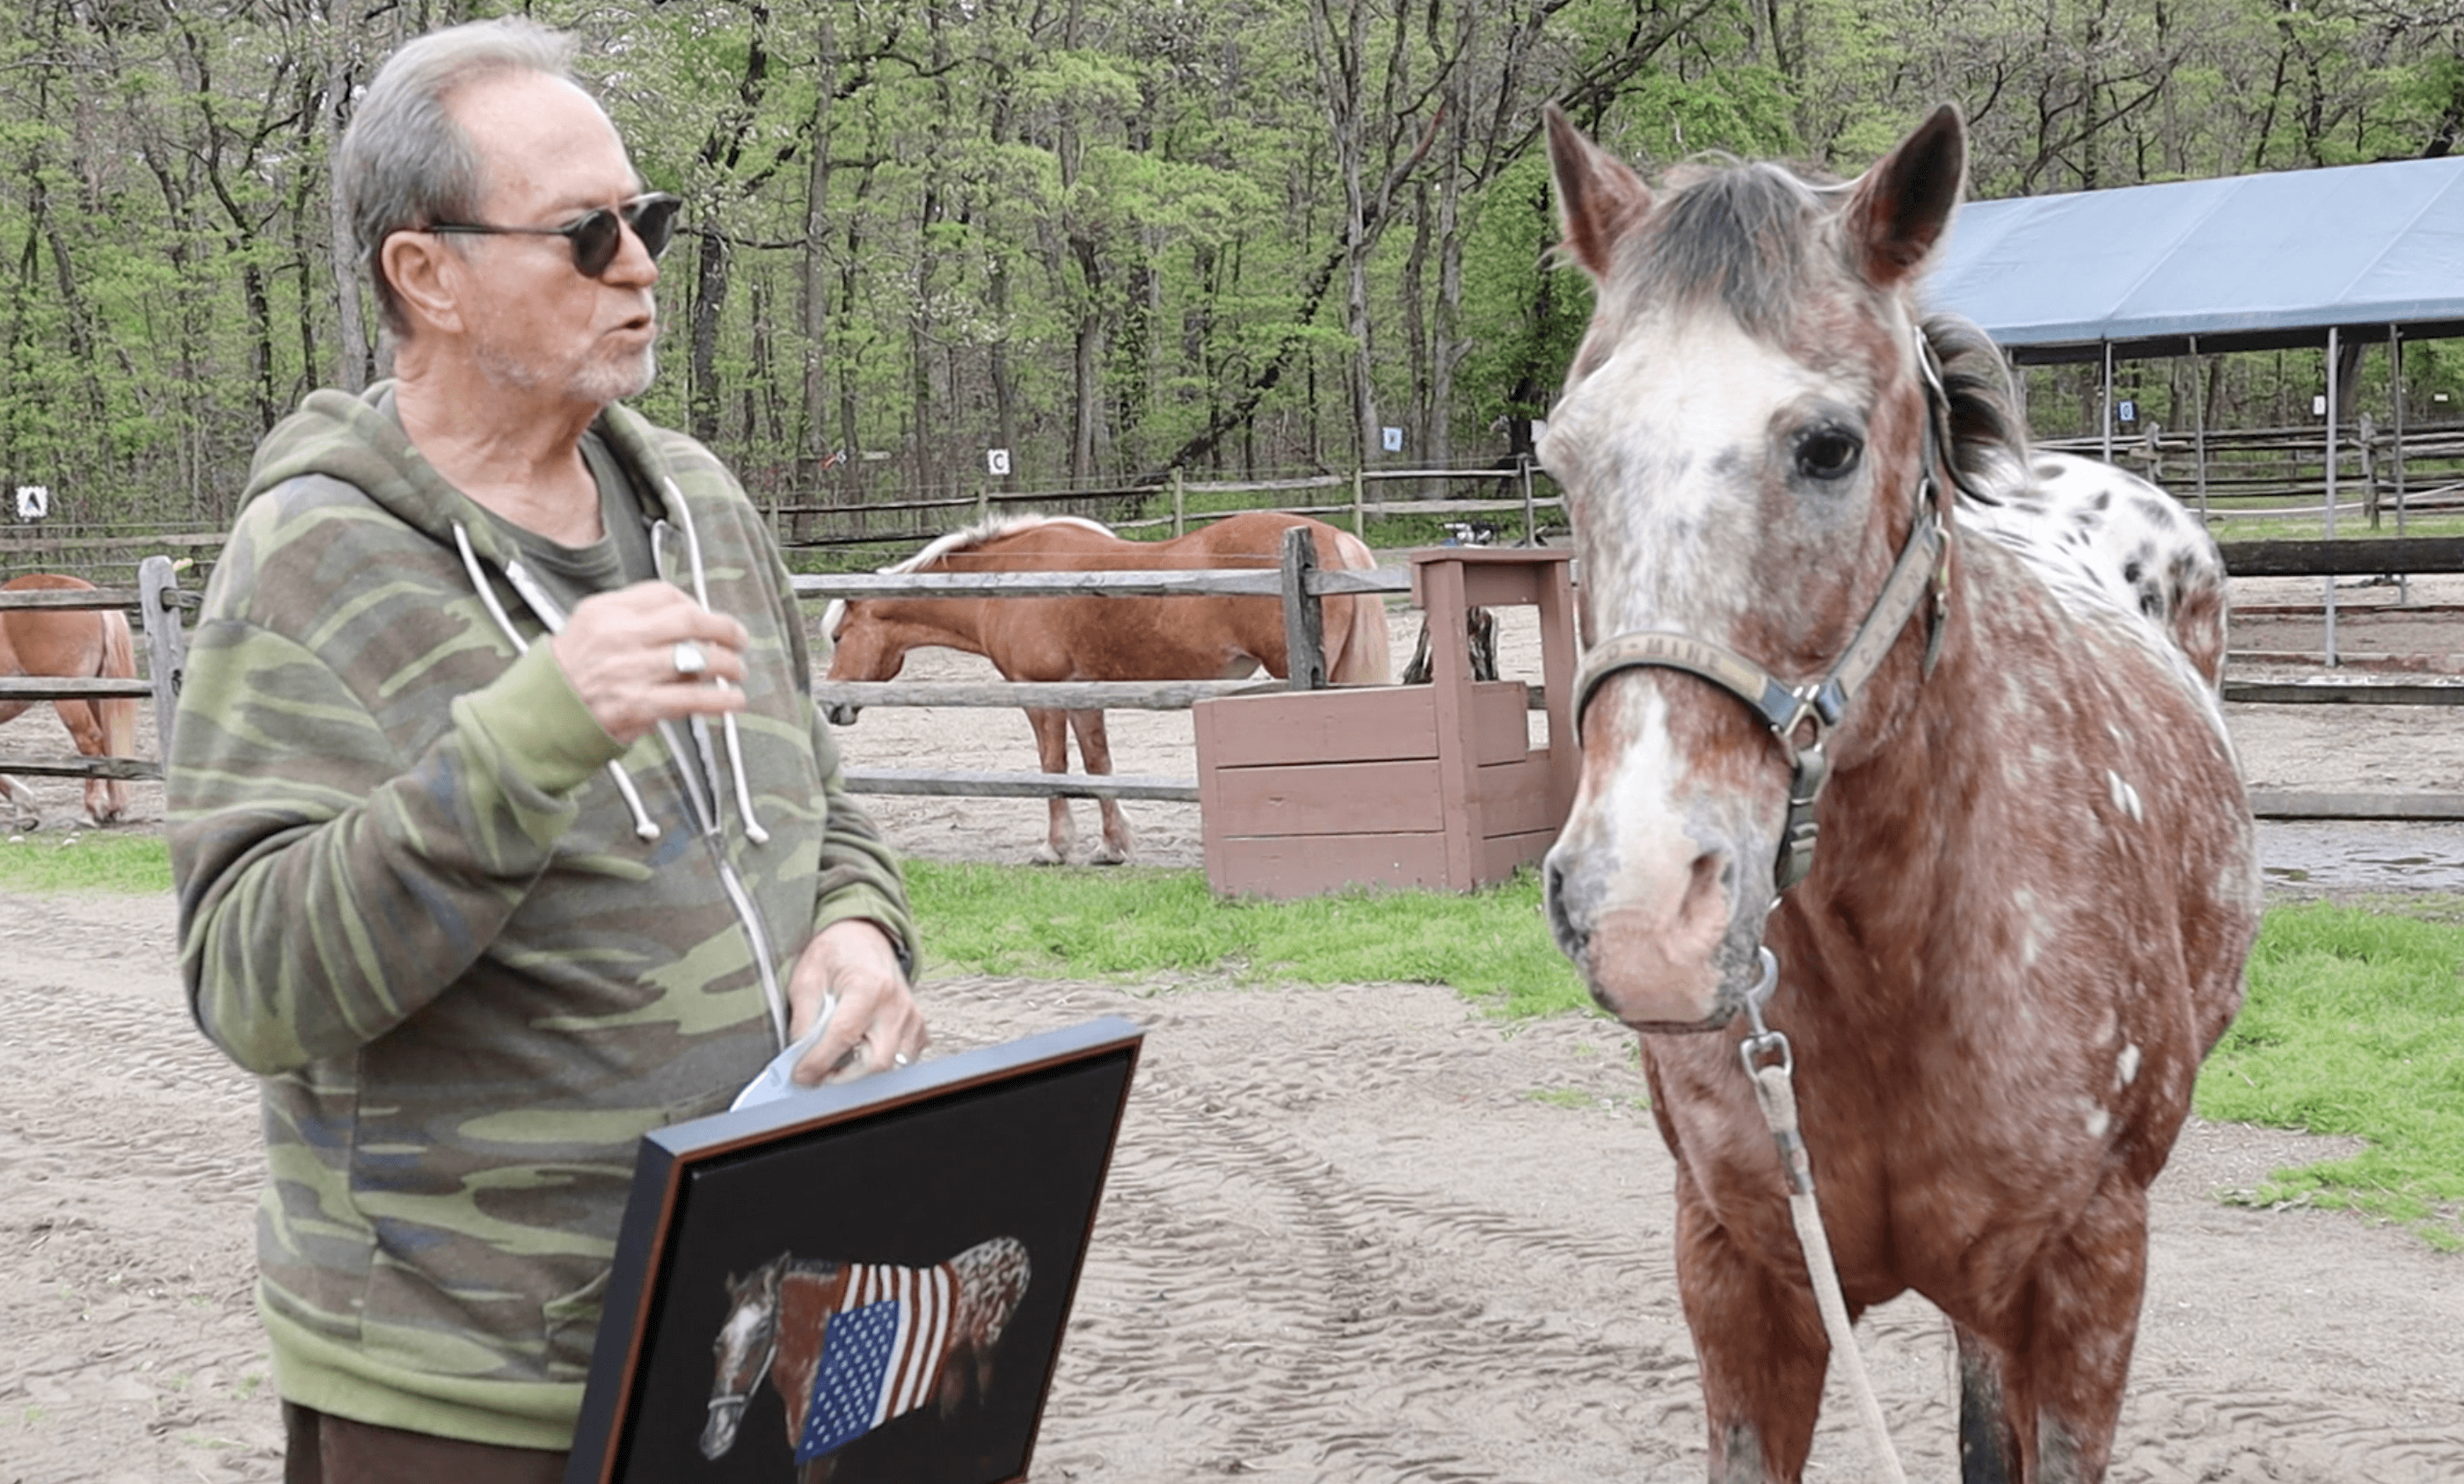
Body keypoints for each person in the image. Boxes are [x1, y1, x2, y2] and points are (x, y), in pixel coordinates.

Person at [165, 18, 924, 1481]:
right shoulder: (315, 558)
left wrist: (855, 925)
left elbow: (822, 811)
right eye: (586, 234)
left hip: (760, 1325)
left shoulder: (699, 504)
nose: (639, 265)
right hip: (470, 1394)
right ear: (425, 274)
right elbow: (250, 987)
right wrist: (523, 744)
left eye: (646, 221)